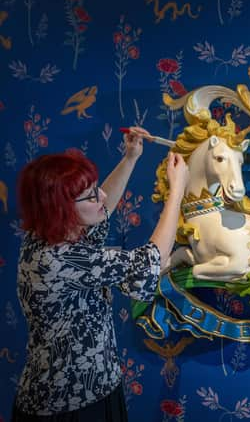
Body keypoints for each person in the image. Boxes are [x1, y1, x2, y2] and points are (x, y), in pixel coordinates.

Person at [12, 127, 189, 422]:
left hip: (98, 387)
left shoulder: (52, 233)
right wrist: (177, 191)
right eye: (90, 194)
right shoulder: (56, 258)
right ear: (61, 209)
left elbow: (100, 208)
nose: (102, 195)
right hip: (68, 405)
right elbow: (150, 261)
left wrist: (131, 158)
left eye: (96, 186)